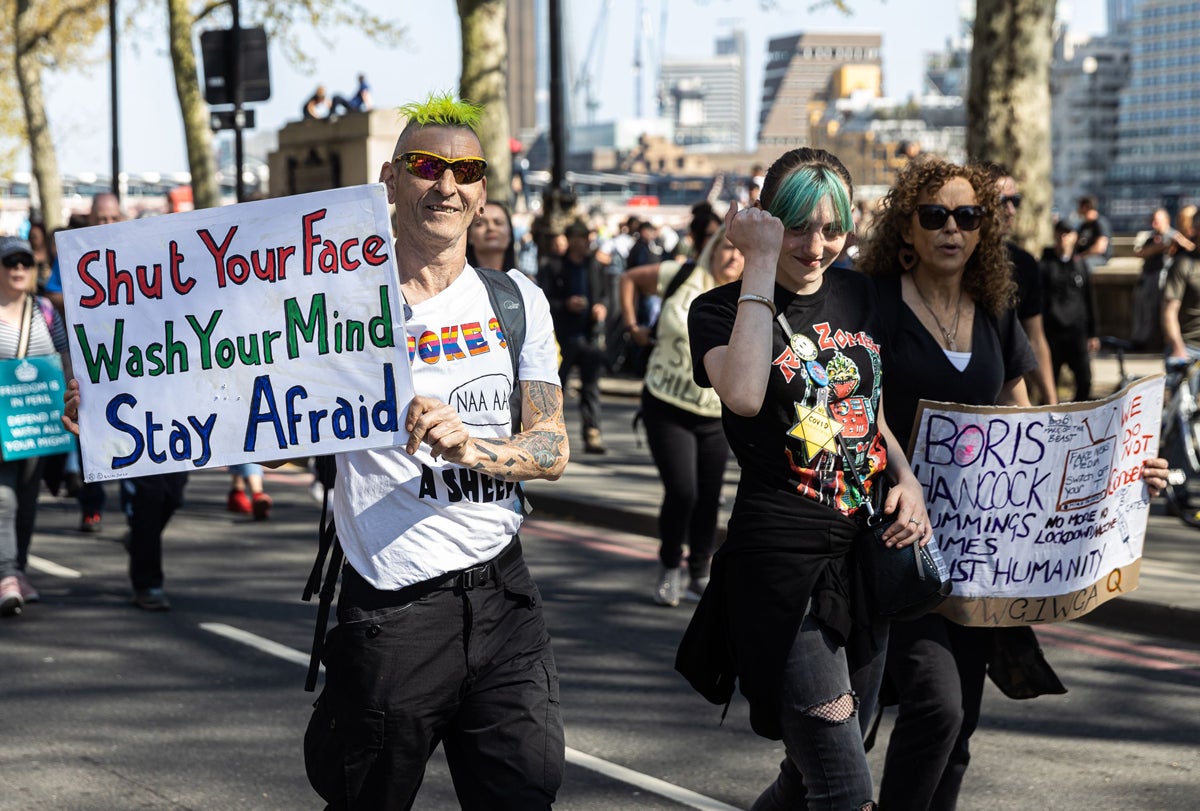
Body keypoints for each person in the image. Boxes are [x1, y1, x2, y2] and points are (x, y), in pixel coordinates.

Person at [857, 158, 1168, 810]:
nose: (952, 228)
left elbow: (1025, 422)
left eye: (968, 216)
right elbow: (862, 406)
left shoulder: (995, 308)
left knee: (961, 726)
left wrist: (1124, 469)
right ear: (906, 228)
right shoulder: (874, 302)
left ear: (982, 230)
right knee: (936, 705)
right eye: (934, 215)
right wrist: (905, 476)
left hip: (983, 551)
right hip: (899, 536)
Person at [685, 147, 930, 811]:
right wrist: (760, 261)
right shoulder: (718, 309)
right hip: (783, 567)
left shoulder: (862, 295)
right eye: (796, 226)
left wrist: (905, 476)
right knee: (844, 791)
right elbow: (741, 392)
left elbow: (867, 409)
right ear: (765, 222)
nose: (816, 245)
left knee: (810, 770)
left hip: (865, 558)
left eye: (832, 229)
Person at [620, 223, 742, 606]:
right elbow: (629, 278)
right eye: (726, 247)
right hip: (665, 403)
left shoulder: (748, 298)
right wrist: (632, 326)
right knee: (683, 491)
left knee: (708, 497)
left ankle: (699, 573)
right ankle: (671, 565)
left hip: (713, 413)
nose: (732, 256)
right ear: (712, 248)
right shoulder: (685, 273)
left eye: (741, 252)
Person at [0, 237, 71, 617]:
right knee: (3, 500)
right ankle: (6, 576)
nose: (18, 268)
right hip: (0, 425)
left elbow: (65, 357)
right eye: (10, 260)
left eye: (25, 261)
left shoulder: (45, 311)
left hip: (38, 425)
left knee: (27, 502)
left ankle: (19, 571)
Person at [538, 218, 610, 454]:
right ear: (570, 240)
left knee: (591, 388)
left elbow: (606, 294)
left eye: (586, 238)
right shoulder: (554, 266)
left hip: (590, 336)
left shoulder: (595, 265)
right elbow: (543, 300)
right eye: (579, 238)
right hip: (564, 337)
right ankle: (549, 436)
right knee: (555, 390)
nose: (584, 243)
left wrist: (601, 306)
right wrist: (565, 304)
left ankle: (592, 434)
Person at [993, 168, 1057, 404]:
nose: (1010, 210)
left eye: (1015, 201)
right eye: (1001, 201)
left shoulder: (1024, 264)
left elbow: (1035, 339)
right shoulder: (954, 264)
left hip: (1009, 397)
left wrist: (1052, 404)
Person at [1040, 220, 1099, 401]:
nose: (1064, 238)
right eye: (1061, 233)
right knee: (1048, 383)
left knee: (1085, 380)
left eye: (1068, 233)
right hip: (1052, 332)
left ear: (1075, 237)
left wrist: (1093, 333)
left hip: (1076, 331)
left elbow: (1089, 299)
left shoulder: (1080, 264)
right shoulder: (1044, 264)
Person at [1133, 208, 1195, 350]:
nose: (1154, 225)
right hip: (1148, 277)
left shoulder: (1174, 236)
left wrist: (1175, 243)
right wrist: (1160, 246)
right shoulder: (1150, 237)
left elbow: (1190, 249)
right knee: (1144, 312)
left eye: (1157, 221)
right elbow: (1140, 253)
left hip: (1163, 279)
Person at [466, 200, 517, 272]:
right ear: (469, 235)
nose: (491, 228)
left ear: (510, 232)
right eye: (480, 224)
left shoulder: (522, 282)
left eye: (498, 223)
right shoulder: (458, 282)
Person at [1073, 195, 1112, 272]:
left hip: (1098, 258)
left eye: (1080, 207)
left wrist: (1081, 256)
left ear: (1085, 207)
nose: (1078, 210)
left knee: (1082, 264)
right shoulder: (1083, 225)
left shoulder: (1100, 223)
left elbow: (1100, 248)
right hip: (1083, 257)